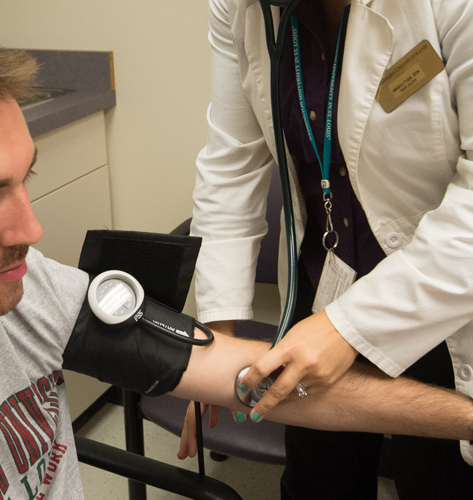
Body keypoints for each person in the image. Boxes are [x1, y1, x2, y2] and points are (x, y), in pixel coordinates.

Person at [0, 13, 473, 500]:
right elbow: (233, 163)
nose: (33, 232)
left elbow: (236, 375)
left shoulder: (16, 291)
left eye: (26, 179)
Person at [185, 0, 473, 498]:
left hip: (447, 297)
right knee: (319, 481)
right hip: (324, 284)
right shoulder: (239, 7)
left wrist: (349, 327)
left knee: (439, 479)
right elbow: (232, 162)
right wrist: (216, 340)